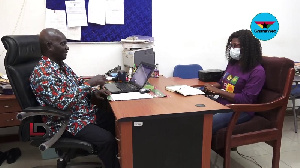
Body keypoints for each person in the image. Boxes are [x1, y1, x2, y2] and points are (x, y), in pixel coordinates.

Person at [29, 28, 120, 168]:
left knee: (116, 122)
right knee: (107, 140)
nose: (67, 47)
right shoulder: (43, 73)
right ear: (49, 46)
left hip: (82, 114)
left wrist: (92, 93)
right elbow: (62, 103)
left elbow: (77, 84)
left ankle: (121, 158)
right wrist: (90, 83)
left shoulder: (61, 65)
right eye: (63, 44)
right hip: (65, 122)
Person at [204, 29, 266, 134]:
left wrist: (217, 91)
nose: (232, 49)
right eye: (231, 46)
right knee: (194, 116)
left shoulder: (257, 71)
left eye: (236, 45)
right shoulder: (233, 64)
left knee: (204, 125)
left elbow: (246, 99)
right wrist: (211, 87)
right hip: (222, 104)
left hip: (240, 110)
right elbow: (222, 82)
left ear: (247, 48)